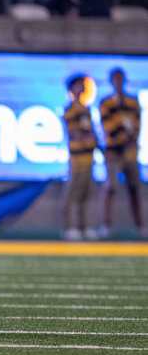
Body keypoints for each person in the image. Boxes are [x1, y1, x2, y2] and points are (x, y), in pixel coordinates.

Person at [98, 68, 145, 238]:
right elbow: (108, 127)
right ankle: (105, 225)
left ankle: (140, 225)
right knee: (109, 188)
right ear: (111, 81)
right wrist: (122, 128)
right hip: (113, 151)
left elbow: (137, 125)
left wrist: (128, 133)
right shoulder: (106, 102)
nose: (118, 82)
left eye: (121, 79)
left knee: (134, 188)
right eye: (115, 79)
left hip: (130, 151)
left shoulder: (133, 102)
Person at [60, 74, 98, 241]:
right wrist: (86, 137)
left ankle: (83, 226)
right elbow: (74, 133)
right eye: (79, 85)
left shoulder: (86, 109)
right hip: (76, 157)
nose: (82, 87)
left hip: (88, 156)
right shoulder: (69, 110)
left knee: (85, 193)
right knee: (72, 192)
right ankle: (69, 227)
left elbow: (90, 132)